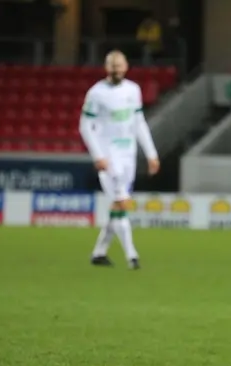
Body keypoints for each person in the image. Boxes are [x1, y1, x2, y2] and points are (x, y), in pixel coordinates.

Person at [79, 50, 160, 270]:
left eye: (120, 66)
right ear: (107, 68)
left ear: (126, 67)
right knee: (121, 203)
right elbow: (85, 126)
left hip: (128, 156)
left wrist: (151, 153)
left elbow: (139, 122)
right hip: (109, 156)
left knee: (117, 206)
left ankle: (99, 252)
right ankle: (131, 256)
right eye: (112, 66)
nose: (116, 70)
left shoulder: (133, 90)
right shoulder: (96, 93)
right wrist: (98, 155)